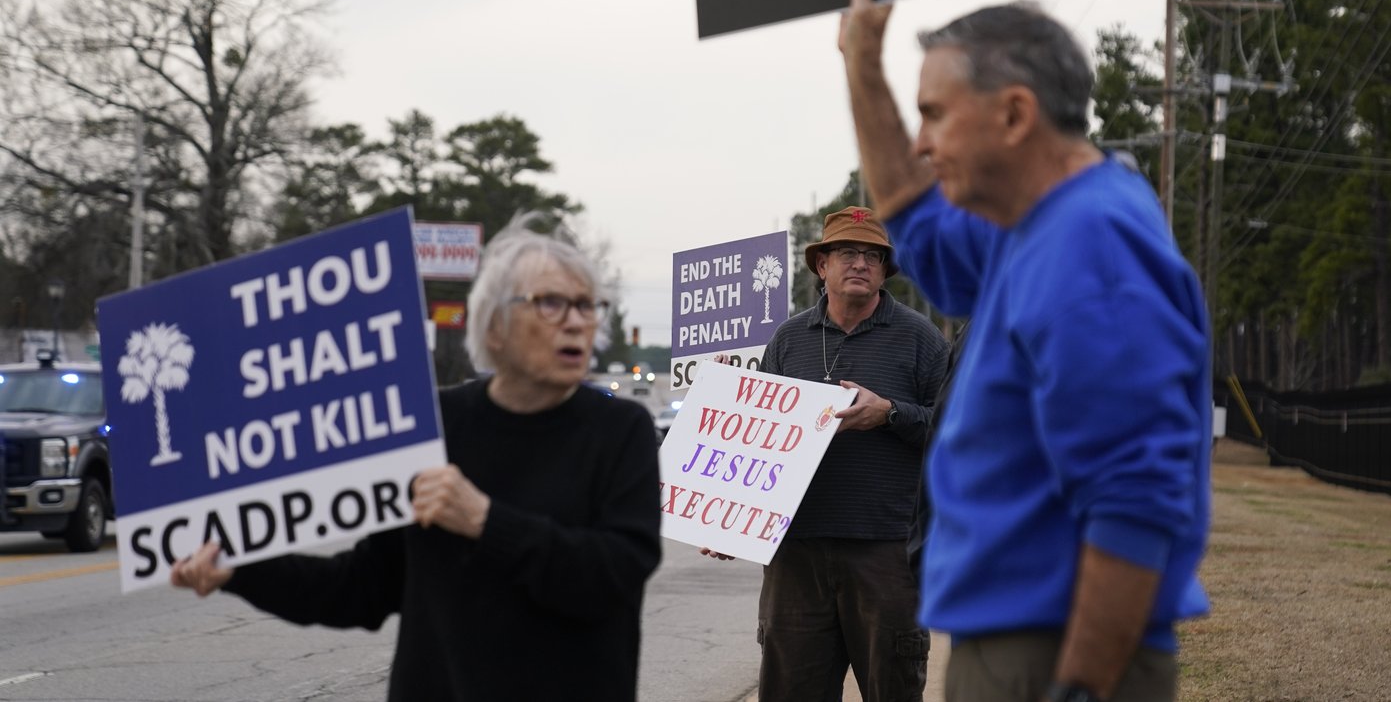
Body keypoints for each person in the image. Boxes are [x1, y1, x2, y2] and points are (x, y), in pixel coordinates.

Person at [835, 0, 1212, 702]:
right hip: (1022, 642)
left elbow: (1134, 494)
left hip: (1052, 655)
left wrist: (1080, 687)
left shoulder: (1090, 243)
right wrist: (860, 62)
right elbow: (915, 215)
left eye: (936, 114)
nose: (921, 142)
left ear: (1014, 114)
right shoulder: (1039, 223)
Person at [171, 217, 662, 701]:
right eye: (551, 303)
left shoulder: (622, 431)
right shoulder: (434, 428)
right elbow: (361, 588)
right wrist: (239, 570)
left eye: (585, 305)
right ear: (494, 327)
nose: (577, 321)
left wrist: (485, 521)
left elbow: (613, 575)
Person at [707, 206, 951, 702]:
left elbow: (959, 434)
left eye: (872, 256)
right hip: (794, 553)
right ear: (822, 266)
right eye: (846, 252)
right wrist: (726, 519)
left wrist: (891, 413)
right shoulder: (788, 340)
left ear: (885, 270)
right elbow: (752, 439)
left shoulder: (920, 339)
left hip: (886, 553)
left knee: (893, 688)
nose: (859, 263)